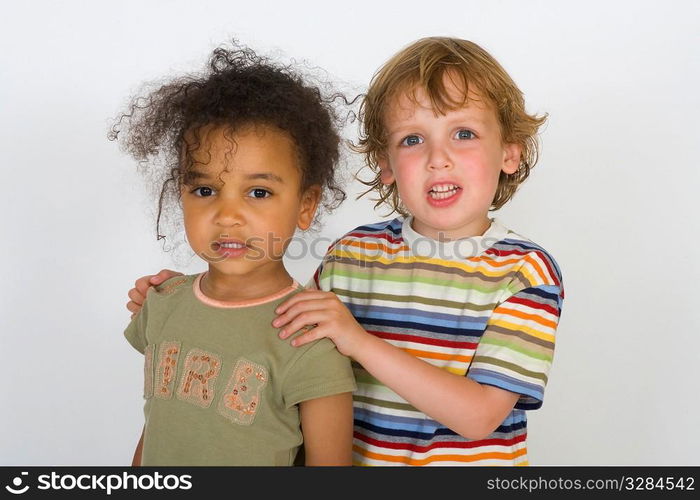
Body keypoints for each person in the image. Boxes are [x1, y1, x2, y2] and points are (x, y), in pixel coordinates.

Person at [128, 36, 564, 466]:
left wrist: (359, 341)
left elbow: (480, 416)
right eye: (412, 139)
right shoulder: (351, 254)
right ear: (386, 164)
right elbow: (278, 331)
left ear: (510, 152)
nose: (438, 158)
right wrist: (193, 299)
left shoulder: (524, 271)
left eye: (463, 133)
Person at [113, 42, 356, 466]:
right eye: (204, 190)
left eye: (258, 192)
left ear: (305, 205)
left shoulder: (309, 339)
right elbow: (158, 425)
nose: (227, 216)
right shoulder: (162, 304)